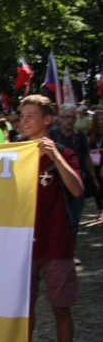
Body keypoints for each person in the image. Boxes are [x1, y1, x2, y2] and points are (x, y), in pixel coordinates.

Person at [20, 94, 83, 342]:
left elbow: (78, 189)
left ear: (48, 120)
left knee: (61, 308)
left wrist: (56, 157)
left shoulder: (64, 152)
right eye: (23, 115)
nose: (25, 121)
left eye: (31, 115)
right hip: (22, 245)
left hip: (56, 242)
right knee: (24, 308)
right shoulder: (14, 154)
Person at [50, 103, 99, 246]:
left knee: (75, 217)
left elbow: (86, 157)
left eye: (72, 117)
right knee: (61, 218)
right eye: (66, 117)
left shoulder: (81, 136)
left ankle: (71, 248)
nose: (69, 120)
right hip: (58, 183)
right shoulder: (52, 135)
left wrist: (93, 178)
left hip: (78, 180)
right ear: (59, 118)